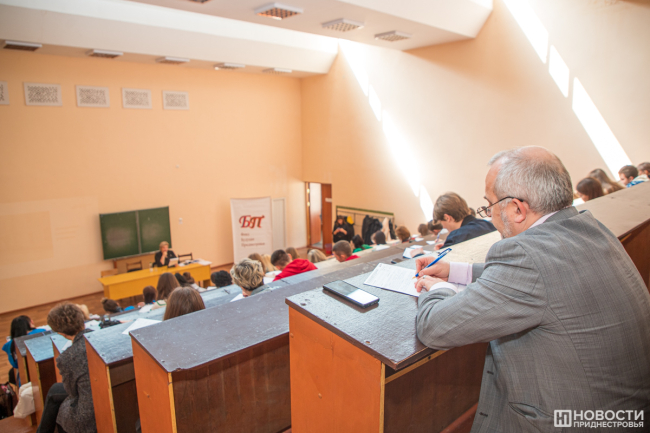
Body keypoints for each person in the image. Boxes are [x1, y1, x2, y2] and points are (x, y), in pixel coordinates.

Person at [415, 146, 650, 432]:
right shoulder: (588, 226)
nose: (490, 215)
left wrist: (439, 289)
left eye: (489, 205)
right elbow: (534, 279)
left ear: (517, 209)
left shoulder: (526, 257)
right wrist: (455, 271)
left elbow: (434, 327)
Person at [37, 303, 96, 433]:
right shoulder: (99, 336)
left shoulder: (67, 357)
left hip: (90, 413)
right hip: (101, 391)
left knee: (62, 410)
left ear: (61, 333)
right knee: (55, 389)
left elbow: (72, 392)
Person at [3, 316, 45, 386]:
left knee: (12, 373)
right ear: (30, 323)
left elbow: (15, 364)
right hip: (45, 368)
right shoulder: (41, 331)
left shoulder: (10, 344)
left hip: (26, 379)